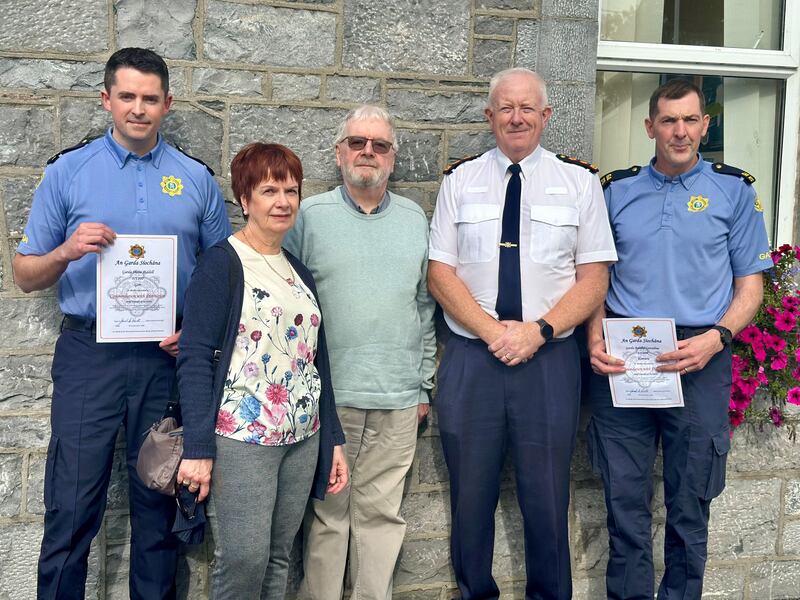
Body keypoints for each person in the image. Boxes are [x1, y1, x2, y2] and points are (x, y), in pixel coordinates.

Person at [12, 47, 231, 600]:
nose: (139, 108)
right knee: (72, 503)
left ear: (167, 104)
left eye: (150, 98)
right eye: (127, 96)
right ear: (107, 99)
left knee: (158, 505)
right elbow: (24, 275)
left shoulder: (195, 180)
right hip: (91, 357)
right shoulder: (69, 171)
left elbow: (222, 276)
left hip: (165, 359)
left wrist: (197, 331)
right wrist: (65, 251)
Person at [427, 67, 618, 599]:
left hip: (549, 361)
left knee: (546, 496)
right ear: (490, 116)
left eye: (527, 108)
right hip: (472, 359)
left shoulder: (579, 183)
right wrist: (494, 333)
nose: (516, 117)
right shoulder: (459, 181)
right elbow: (440, 273)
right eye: (506, 108)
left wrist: (538, 332)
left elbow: (594, 277)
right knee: (470, 496)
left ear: (546, 116)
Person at [588, 78, 771, 599]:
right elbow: (594, 277)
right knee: (624, 505)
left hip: (700, 356)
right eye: (669, 120)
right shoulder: (615, 192)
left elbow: (750, 288)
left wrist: (717, 337)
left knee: (690, 507)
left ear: (705, 125)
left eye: (691, 120)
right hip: (626, 357)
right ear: (650, 127)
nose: (680, 131)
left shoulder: (734, 191)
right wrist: (594, 338)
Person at [176, 142, 349, 599]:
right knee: (243, 561)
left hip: (302, 437)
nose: (283, 201)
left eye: (291, 190)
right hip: (243, 439)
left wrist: (331, 438)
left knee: (277, 557)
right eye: (269, 190)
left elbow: (316, 361)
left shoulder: (297, 271)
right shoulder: (222, 264)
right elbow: (193, 357)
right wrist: (197, 447)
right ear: (244, 198)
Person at [284, 105, 436, 600]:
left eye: (380, 145)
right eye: (357, 142)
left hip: (397, 396)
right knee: (328, 513)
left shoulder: (414, 218)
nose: (367, 152)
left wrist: (423, 384)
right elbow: (290, 301)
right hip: (332, 396)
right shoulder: (310, 216)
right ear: (339, 152)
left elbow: (424, 304)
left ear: (393, 158)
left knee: (381, 515)